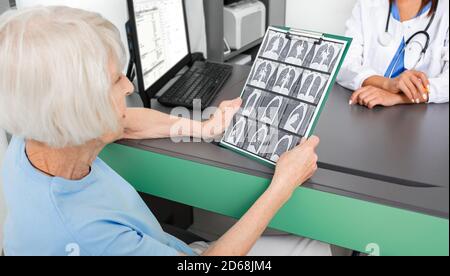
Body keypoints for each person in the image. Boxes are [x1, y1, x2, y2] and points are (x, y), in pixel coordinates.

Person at [0, 6, 330, 256]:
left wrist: (206, 128)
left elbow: (124, 122)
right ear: (80, 110)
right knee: (314, 245)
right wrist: (283, 185)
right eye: (117, 81)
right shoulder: (87, 236)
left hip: (165, 244)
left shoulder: (35, 134)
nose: (129, 85)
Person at [337, 0, 449, 109]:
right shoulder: (367, 4)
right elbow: (343, 63)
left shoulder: (445, 10)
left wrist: (399, 97)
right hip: (368, 110)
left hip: (422, 118)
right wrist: (387, 84)